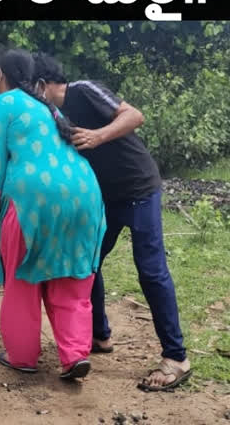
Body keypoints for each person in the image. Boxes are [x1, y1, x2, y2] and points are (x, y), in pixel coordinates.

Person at [32, 53, 191, 392]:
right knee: (89, 263)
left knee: (150, 269)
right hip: (106, 198)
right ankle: (99, 335)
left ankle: (176, 357)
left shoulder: (84, 90)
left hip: (139, 188)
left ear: (42, 85)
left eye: (30, 89)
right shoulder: (49, 114)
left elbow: (134, 115)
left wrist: (98, 136)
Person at [0, 49, 107, 379]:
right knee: (72, 280)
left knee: (22, 280)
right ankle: (75, 354)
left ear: (1, 75)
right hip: (85, 196)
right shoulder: (49, 109)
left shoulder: (1, 105)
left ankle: (22, 356)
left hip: (32, 201)